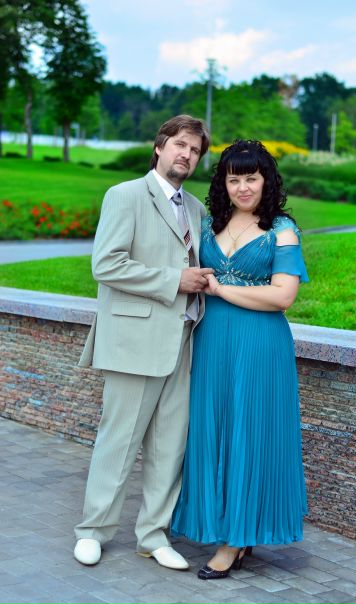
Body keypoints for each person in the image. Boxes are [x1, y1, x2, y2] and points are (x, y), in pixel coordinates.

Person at [74, 115, 213, 570]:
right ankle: (92, 531)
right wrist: (175, 280)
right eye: (180, 145)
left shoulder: (195, 209)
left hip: (183, 342)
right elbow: (107, 264)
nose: (186, 155)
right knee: (118, 442)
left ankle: (153, 536)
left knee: (169, 448)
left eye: (195, 150)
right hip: (135, 342)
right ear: (160, 146)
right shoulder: (126, 195)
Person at [171, 139, 309, 579]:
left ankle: (235, 540)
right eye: (235, 179)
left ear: (266, 181)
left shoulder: (281, 228)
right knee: (213, 430)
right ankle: (224, 524)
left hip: (260, 344)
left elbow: (283, 296)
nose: (243, 187)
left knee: (249, 432)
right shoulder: (208, 223)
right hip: (212, 341)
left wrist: (222, 289)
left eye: (252, 178)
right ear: (224, 183)